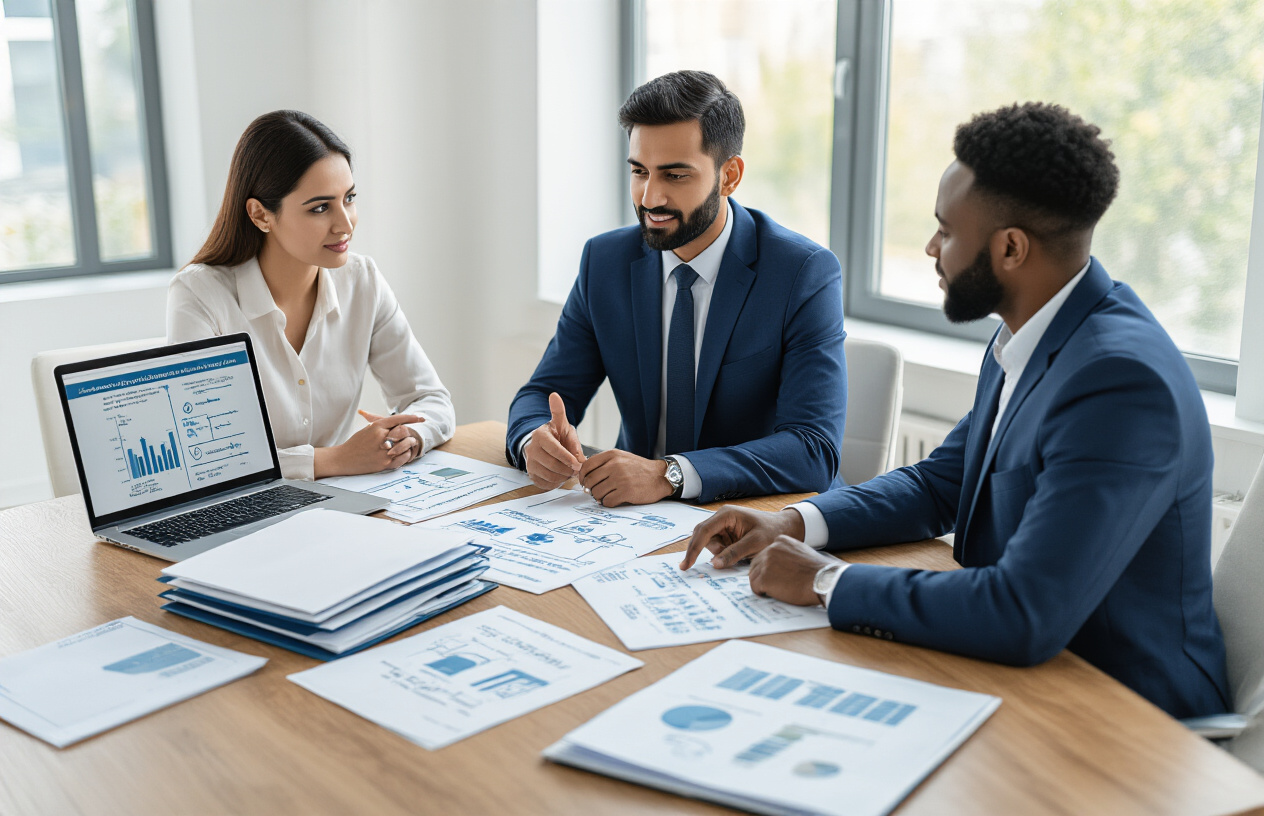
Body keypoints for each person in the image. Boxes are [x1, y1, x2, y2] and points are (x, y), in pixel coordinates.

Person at [681, 102, 1230, 719]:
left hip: (1125, 715)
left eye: (946, 230)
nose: (930, 246)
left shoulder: (1119, 382)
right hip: (1022, 673)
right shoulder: (1031, 335)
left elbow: (1025, 611)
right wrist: (792, 523)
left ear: (1012, 249)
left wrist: (826, 581)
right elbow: (939, 483)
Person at [506, 70, 847, 507]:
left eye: (675, 176)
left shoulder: (803, 273)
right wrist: (532, 440)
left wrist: (669, 475)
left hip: (754, 517)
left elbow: (813, 449)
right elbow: (542, 393)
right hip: (631, 520)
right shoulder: (605, 262)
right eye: (639, 171)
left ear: (730, 176)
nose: (649, 197)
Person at [167, 110, 454, 480]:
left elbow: (432, 400)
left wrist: (409, 436)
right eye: (320, 208)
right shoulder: (200, 295)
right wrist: (333, 461)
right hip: (244, 509)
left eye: (349, 198)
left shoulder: (362, 281)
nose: (345, 223)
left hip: (340, 502)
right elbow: (203, 456)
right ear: (260, 215)